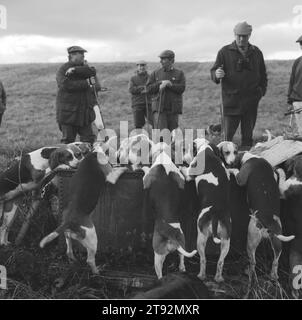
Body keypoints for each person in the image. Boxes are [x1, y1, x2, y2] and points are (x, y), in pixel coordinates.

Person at [211, 21, 267, 150]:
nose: (241, 39)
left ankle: (245, 162)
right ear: (234, 35)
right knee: (227, 138)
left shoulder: (257, 52)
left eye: (245, 36)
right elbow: (214, 71)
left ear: (249, 35)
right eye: (239, 36)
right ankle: (224, 166)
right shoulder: (224, 52)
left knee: (247, 137)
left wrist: (260, 92)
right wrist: (216, 74)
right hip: (231, 103)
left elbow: (263, 75)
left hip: (251, 102)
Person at [56, 46, 100, 144]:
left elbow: (92, 72)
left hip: (85, 115)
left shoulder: (85, 69)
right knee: (68, 142)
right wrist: (86, 83)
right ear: (73, 55)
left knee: (89, 141)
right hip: (68, 115)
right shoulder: (63, 69)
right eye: (81, 54)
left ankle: (86, 160)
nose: (84, 56)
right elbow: (65, 85)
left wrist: (75, 70)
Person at [147, 50, 185, 131]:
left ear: (171, 60)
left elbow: (182, 88)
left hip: (173, 109)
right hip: (159, 109)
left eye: (163, 59)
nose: (160, 61)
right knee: (162, 135)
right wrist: (160, 83)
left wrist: (170, 84)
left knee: (173, 135)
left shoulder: (179, 73)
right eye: (161, 59)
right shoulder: (155, 73)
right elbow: (148, 88)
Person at [128, 60, 152, 129]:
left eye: (143, 65)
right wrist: (143, 88)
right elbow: (131, 89)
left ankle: (156, 139)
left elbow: (153, 88)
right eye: (140, 66)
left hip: (149, 103)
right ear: (137, 67)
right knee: (138, 125)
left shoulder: (150, 77)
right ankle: (139, 139)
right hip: (137, 104)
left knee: (155, 122)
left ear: (146, 67)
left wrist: (147, 89)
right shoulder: (133, 78)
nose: (142, 67)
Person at [287, 35, 302, 135]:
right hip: (297, 101)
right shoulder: (297, 62)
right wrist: (290, 100)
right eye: (301, 44)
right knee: (301, 131)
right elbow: (292, 81)